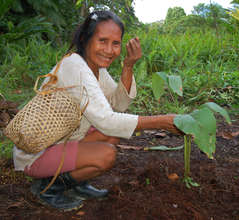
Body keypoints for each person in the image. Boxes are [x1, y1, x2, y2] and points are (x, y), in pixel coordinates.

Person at [13, 10, 182, 211]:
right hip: (36, 153)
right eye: (102, 41)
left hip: (61, 142)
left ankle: (76, 183)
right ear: (85, 39)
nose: (109, 50)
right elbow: (107, 120)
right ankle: (47, 187)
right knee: (106, 155)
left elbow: (118, 105)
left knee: (111, 136)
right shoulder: (75, 66)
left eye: (116, 43)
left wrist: (128, 65)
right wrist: (162, 121)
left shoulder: (96, 69)